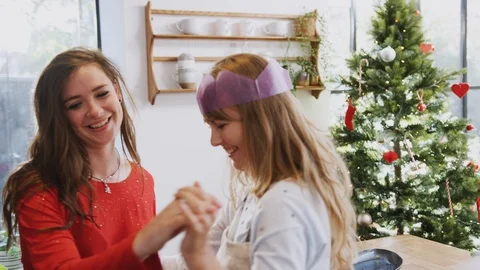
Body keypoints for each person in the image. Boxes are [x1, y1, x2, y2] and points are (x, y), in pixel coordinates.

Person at [1, 47, 219, 270]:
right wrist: (146, 239)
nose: (95, 111)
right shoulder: (38, 187)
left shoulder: (142, 180)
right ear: (58, 117)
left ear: (117, 91)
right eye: (75, 104)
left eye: (102, 94)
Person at [165, 53, 358, 270]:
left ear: (260, 122)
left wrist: (196, 255)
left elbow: (199, 258)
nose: (214, 140)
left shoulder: (281, 203)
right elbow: (192, 260)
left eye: (220, 125)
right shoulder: (250, 192)